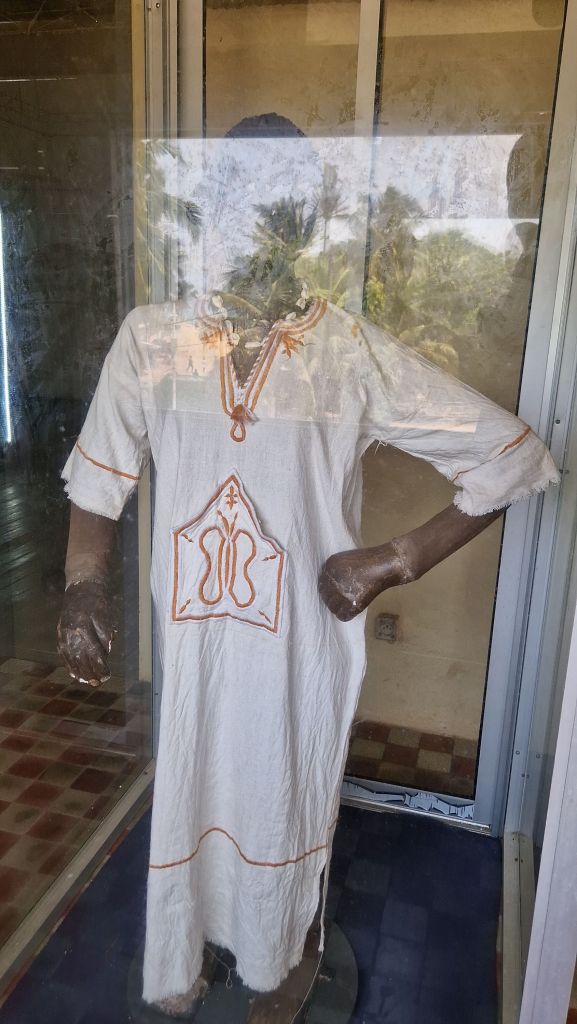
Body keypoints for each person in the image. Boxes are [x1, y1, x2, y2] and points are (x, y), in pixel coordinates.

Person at [57, 114, 559, 1020]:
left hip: (297, 647)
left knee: (283, 792)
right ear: (207, 209)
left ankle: (279, 958)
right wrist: (83, 584)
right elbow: (100, 475)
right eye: (236, 198)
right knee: (191, 783)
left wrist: (394, 559)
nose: (256, 222)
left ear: (308, 219)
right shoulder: (154, 339)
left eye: (279, 204)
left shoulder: (346, 352)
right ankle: (185, 955)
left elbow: (509, 456)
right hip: (197, 646)